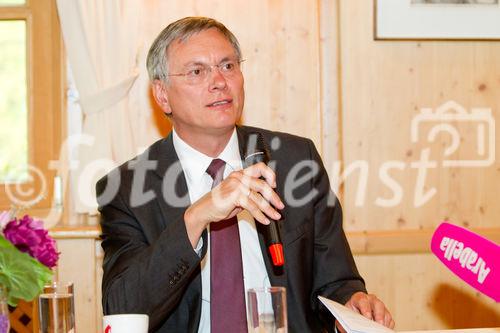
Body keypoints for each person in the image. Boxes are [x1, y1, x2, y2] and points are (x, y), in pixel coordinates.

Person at [97, 16, 395, 332]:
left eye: (228, 66)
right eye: (197, 71)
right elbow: (123, 307)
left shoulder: (296, 162)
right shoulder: (126, 188)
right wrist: (196, 217)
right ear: (162, 95)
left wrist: (352, 304)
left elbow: (336, 282)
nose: (219, 82)